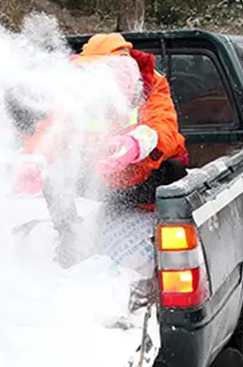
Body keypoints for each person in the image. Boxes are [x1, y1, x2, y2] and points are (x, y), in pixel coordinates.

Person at [14, 32, 188, 268]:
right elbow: (53, 130)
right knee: (56, 175)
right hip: (101, 179)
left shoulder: (151, 85)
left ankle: (153, 246)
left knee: (174, 173)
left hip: (146, 180)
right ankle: (70, 245)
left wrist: (134, 145)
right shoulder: (79, 93)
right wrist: (35, 160)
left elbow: (164, 126)